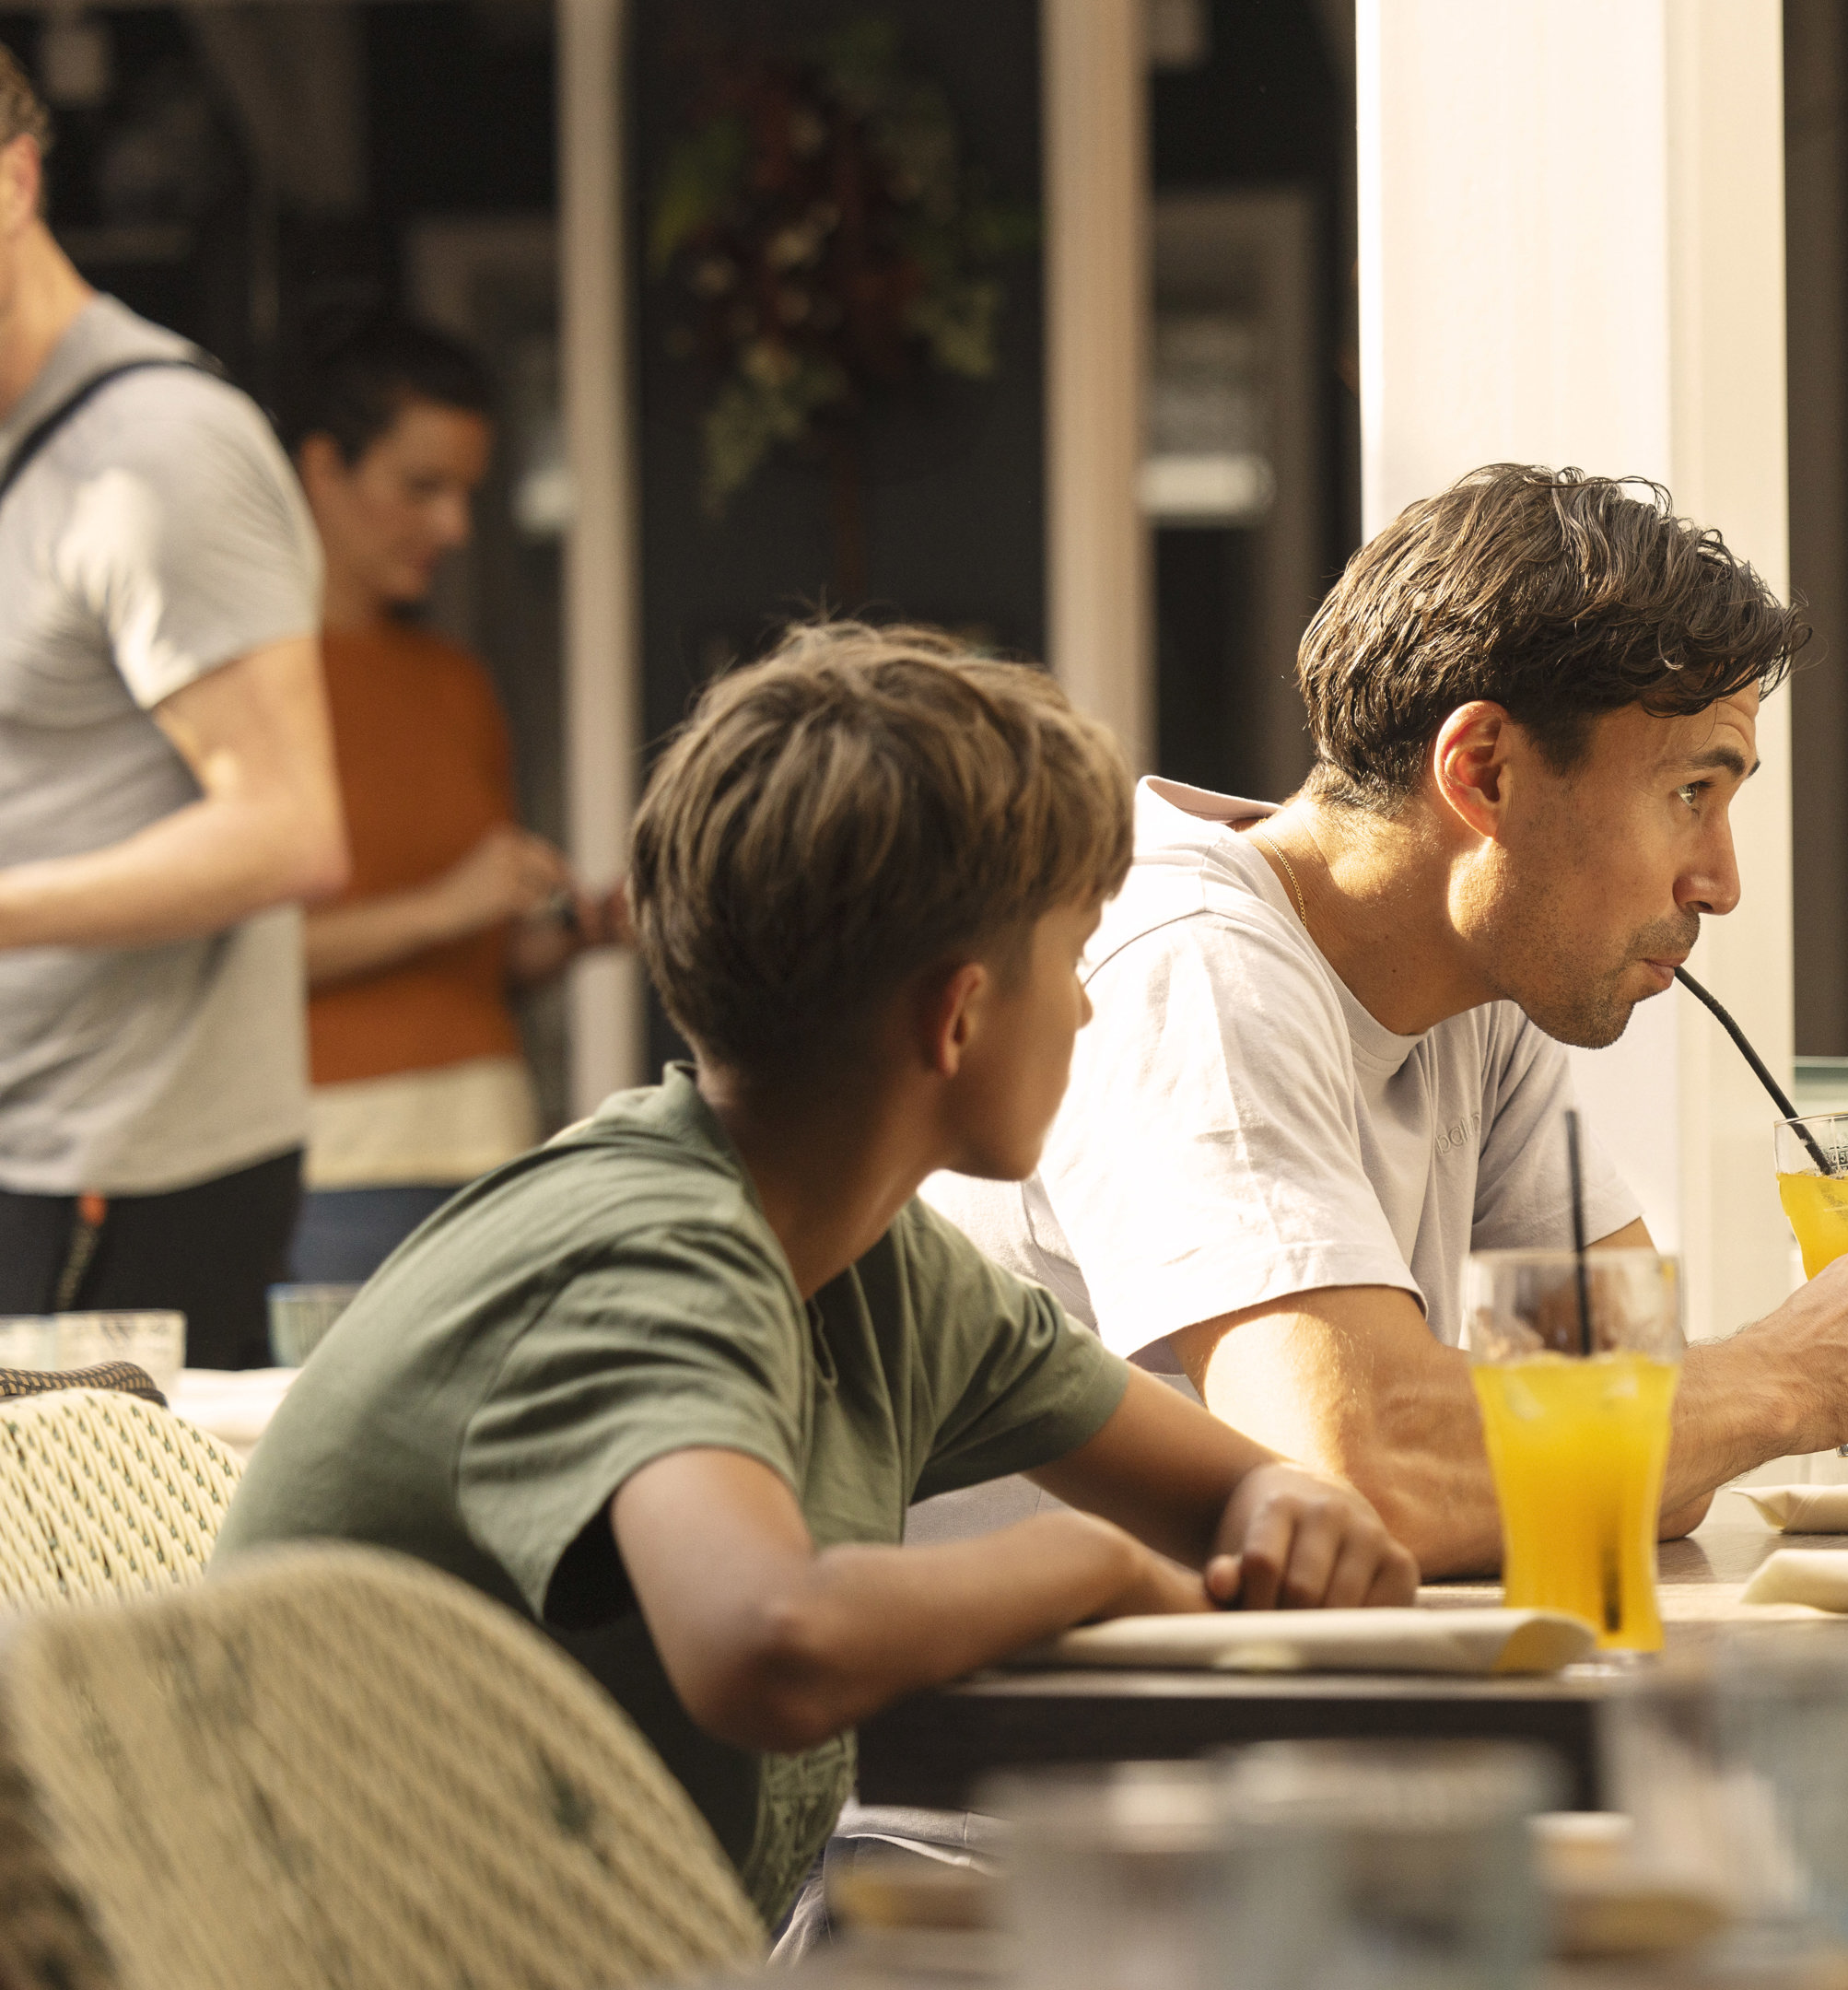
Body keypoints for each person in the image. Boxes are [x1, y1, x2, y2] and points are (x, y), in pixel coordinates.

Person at [217, 624, 1418, 1923]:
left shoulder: (878, 1264)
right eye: (1074, 959)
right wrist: (1097, 1570)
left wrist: (1293, 1522)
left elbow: (1243, 1499)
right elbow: (768, 1646)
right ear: (955, 1016)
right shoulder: (648, 1254)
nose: (1087, 1011)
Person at [922, 466, 1848, 1577]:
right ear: (1482, 774)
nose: (1720, 883)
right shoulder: (1189, 961)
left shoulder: (1482, 989)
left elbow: (1653, 1466)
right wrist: (1791, 1376)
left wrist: (1689, 1412)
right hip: (1020, 1730)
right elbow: (1355, 1470)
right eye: (1690, 797)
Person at [0, 47, 347, 1367]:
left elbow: (288, 833)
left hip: (121, 1170)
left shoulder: (159, 454)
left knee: (89, 1577)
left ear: (17, 180)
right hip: (30, 1146)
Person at [279, 316, 623, 1284]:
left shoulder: (455, 680)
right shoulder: (251, 686)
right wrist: (444, 905)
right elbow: (229, 956)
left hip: (495, 1150)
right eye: (420, 487)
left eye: (466, 493)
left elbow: (472, 957)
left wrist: (570, 934)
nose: (454, 528)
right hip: (332, 1171)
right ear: (322, 470)